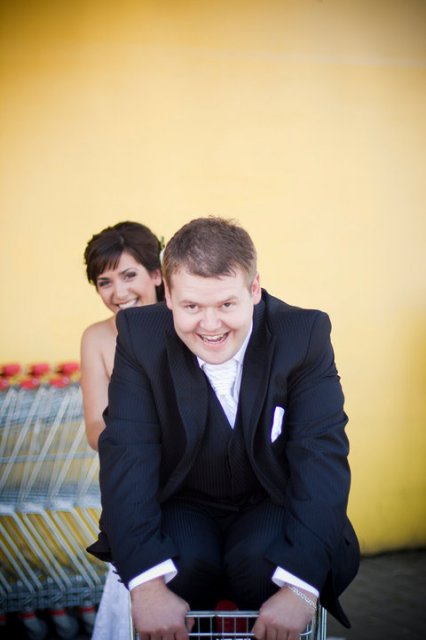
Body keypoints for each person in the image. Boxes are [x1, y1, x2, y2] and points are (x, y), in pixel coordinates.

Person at [88, 216, 360, 640]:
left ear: (254, 290)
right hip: (184, 504)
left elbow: (320, 456)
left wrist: (300, 589)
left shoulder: (303, 335)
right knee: (178, 565)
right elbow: (127, 454)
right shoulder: (139, 337)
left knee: (265, 563)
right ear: (168, 296)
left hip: (270, 500)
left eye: (226, 305)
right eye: (192, 307)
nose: (211, 325)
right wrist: (147, 585)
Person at [81, 221, 164, 640]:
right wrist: (137, 439)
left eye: (129, 275)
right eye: (105, 282)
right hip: (135, 483)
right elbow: (96, 427)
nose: (118, 292)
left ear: (157, 274)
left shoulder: (189, 324)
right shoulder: (97, 338)